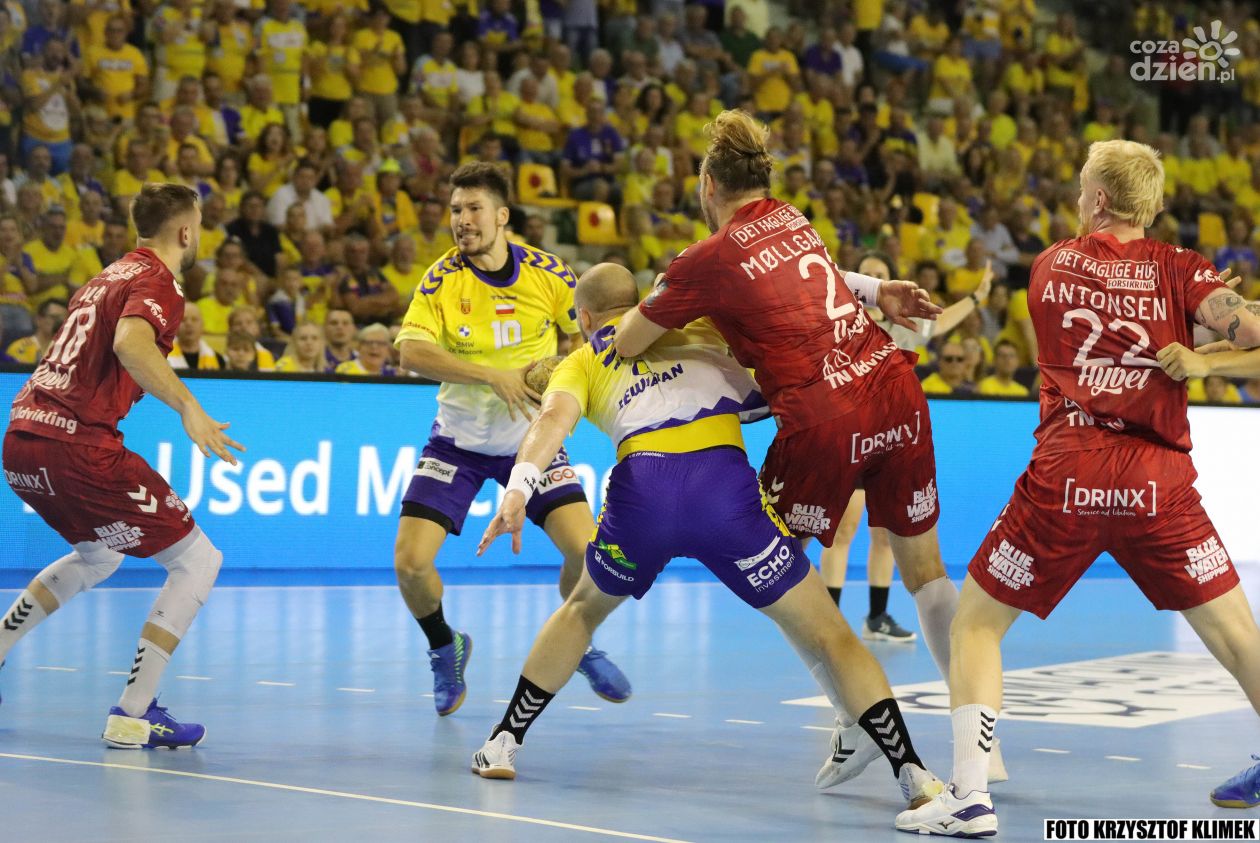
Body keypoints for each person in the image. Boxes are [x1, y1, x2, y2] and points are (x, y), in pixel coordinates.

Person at [472, 263, 944, 811]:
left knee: (581, 610)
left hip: (642, 494)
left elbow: (549, 423)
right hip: (724, 494)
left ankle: (503, 742)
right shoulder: (702, 326)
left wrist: (519, 490)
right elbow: (782, 330)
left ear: (583, 317)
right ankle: (914, 775)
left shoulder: (580, 361)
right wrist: (873, 296)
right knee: (829, 633)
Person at [897, 140, 1260, 836]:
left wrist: (1184, 337)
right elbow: (1245, 331)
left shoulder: (1051, 263)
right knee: (1241, 637)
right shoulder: (1184, 270)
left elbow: (1104, 322)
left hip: (1066, 478)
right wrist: (1209, 359)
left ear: (1097, 200)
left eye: (1081, 187)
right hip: (1157, 486)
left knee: (976, 625)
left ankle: (970, 796)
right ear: (1152, 204)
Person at [613, 110, 978, 794]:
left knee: (778, 576)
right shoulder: (791, 218)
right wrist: (879, 290)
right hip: (893, 386)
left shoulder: (705, 259)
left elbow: (628, 340)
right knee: (926, 570)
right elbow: (821, 274)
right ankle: (979, 747)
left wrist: (673, 309)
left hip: (825, 417)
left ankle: (856, 717)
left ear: (708, 184)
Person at [0, 183, 243, 748]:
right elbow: (132, 344)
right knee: (198, 562)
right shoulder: (160, 280)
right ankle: (134, 714)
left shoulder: (104, 276)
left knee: (99, 554)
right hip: (76, 445)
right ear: (186, 231)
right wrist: (189, 407)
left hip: (21, 438)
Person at [393, 162, 629, 716]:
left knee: (588, 554)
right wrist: (491, 375)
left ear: (502, 216)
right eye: (456, 210)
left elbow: (590, 332)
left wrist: (562, 368)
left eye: (474, 209)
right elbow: (410, 352)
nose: (462, 220)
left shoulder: (547, 274)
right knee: (410, 563)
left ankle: (577, 640)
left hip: (531, 441)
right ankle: (445, 646)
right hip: (457, 442)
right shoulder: (442, 280)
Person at [820, 251, 993, 643]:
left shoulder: (903, 323)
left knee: (884, 535)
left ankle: (877, 617)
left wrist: (976, 298)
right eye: (866, 273)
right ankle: (829, 622)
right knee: (844, 529)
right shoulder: (839, 320)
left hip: (891, 440)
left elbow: (940, 320)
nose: (873, 277)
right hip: (849, 436)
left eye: (880, 272)